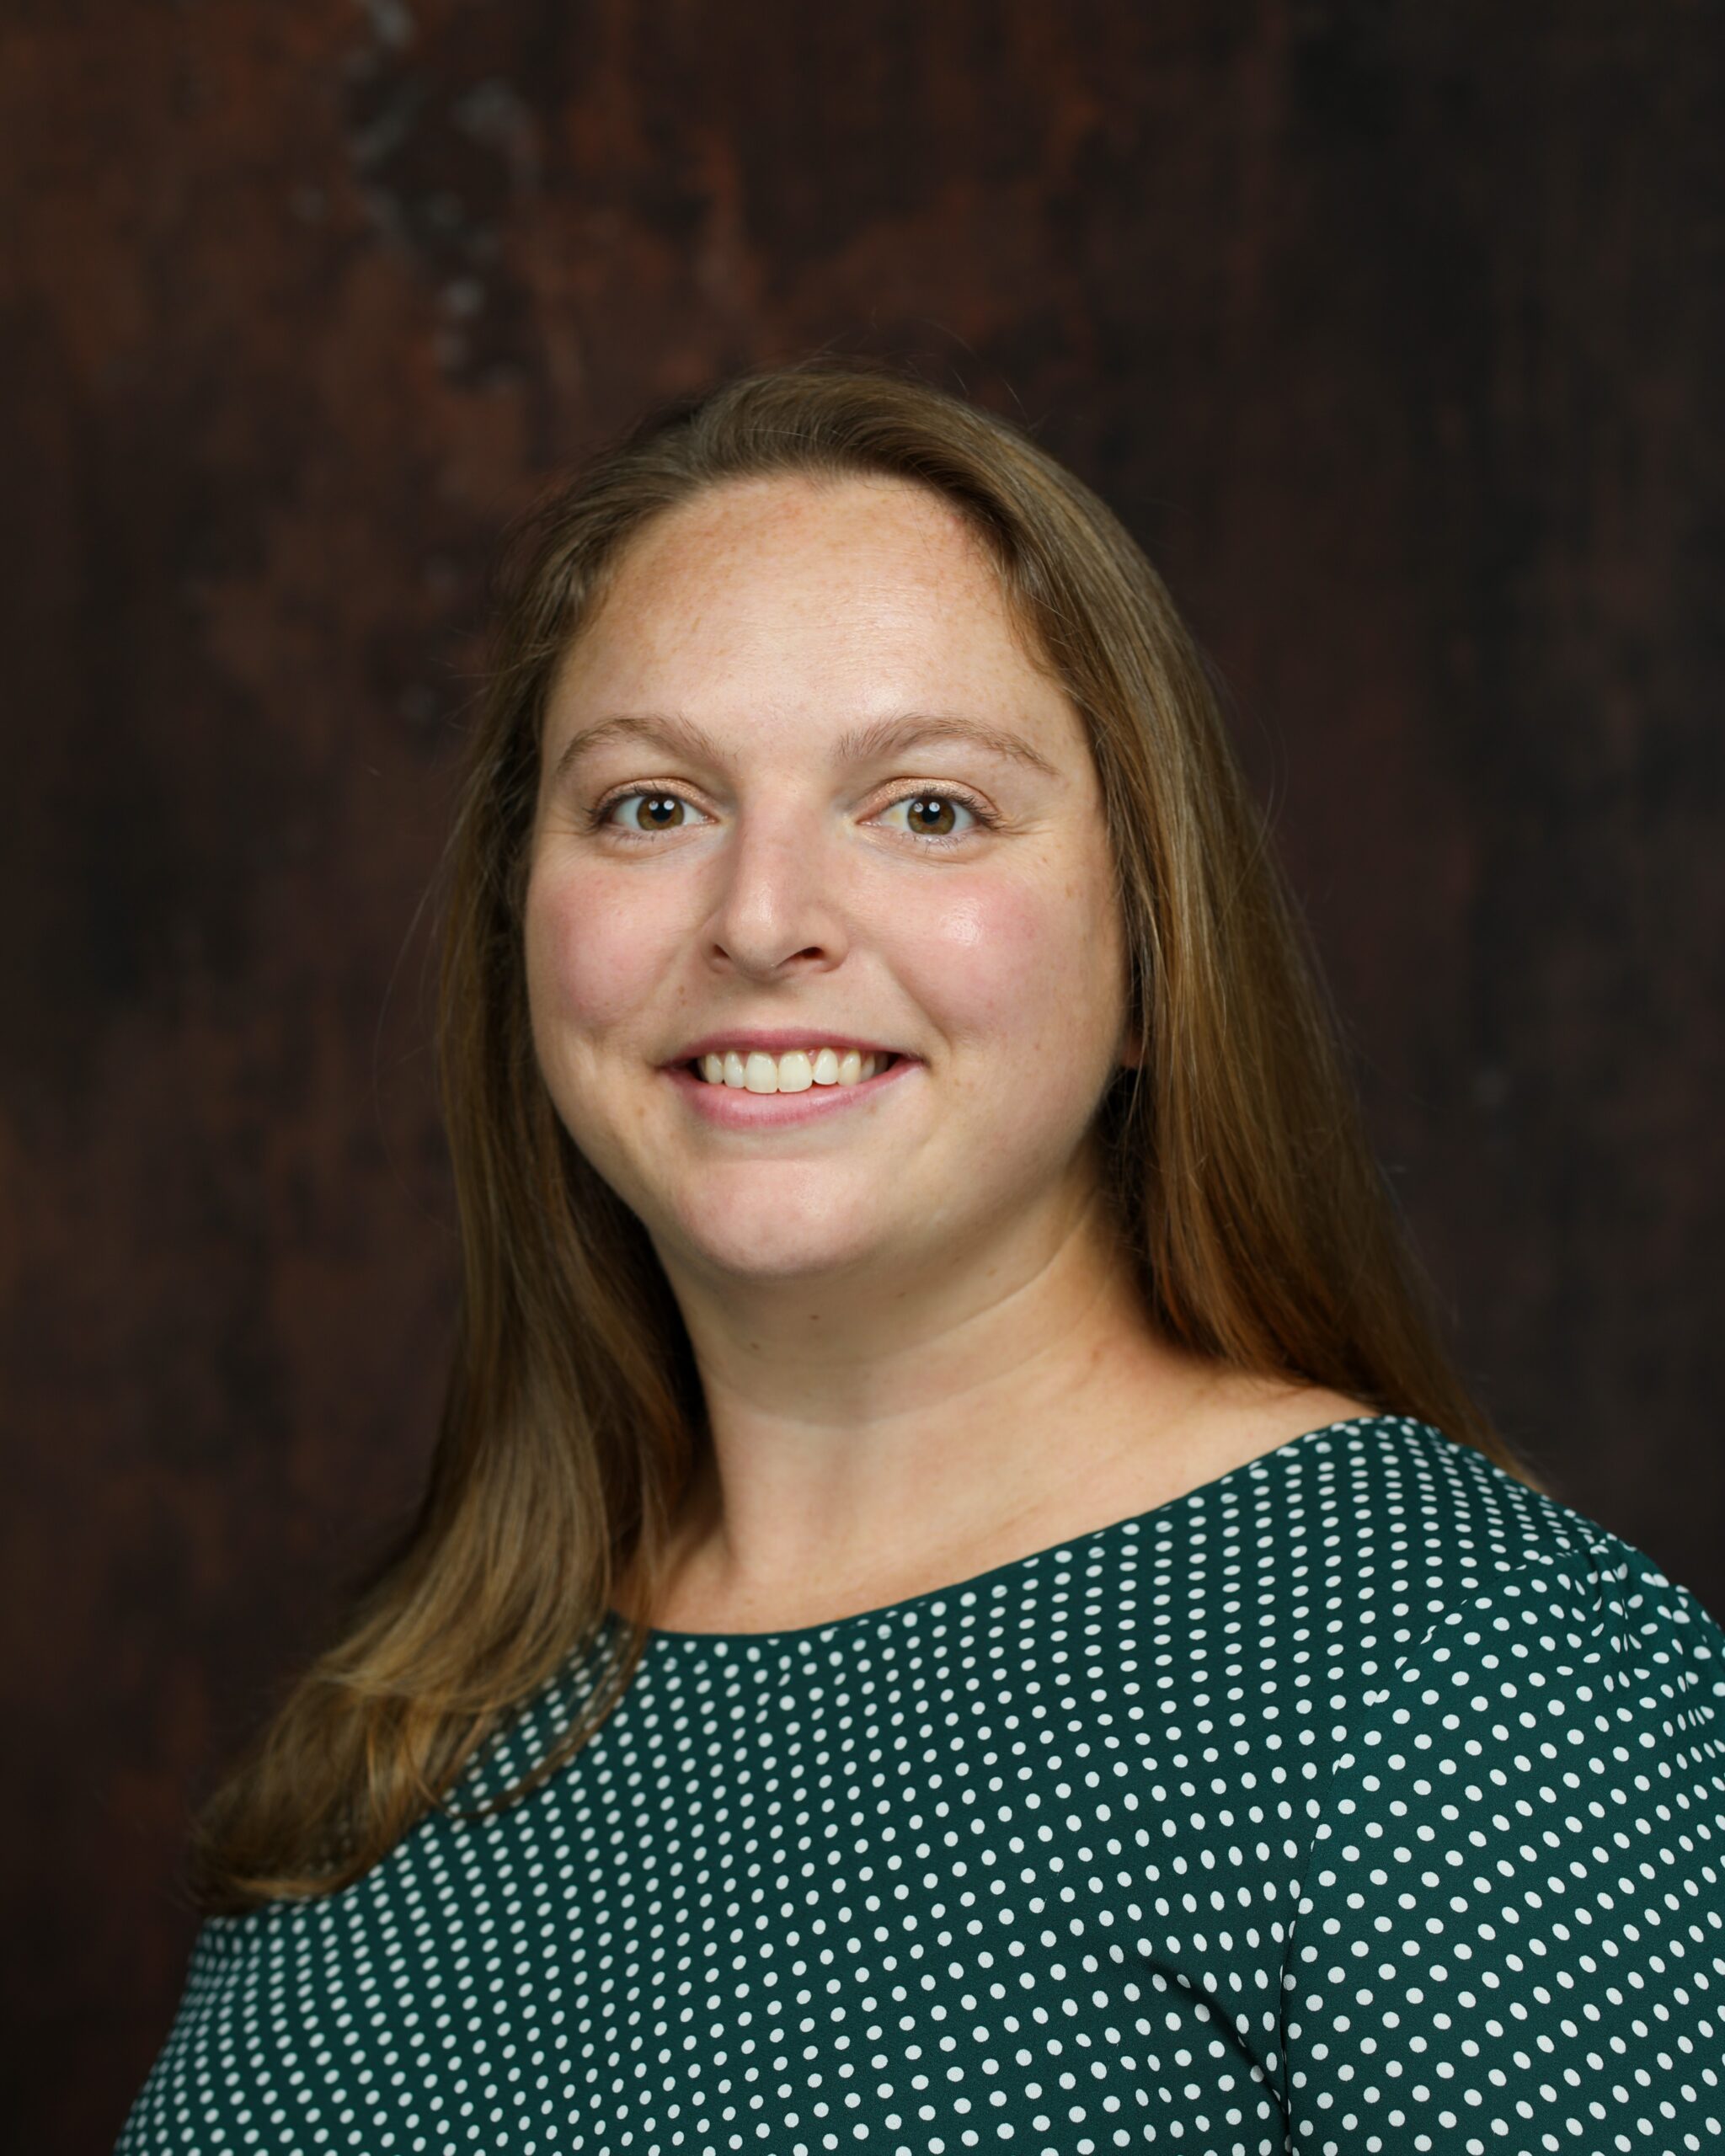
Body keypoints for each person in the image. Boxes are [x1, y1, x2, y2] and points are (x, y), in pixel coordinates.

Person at [115, 363, 1725, 2156]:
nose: (759, 917)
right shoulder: (418, 1717)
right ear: (521, 920)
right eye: (652, 805)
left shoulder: (1465, 1681)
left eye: (929, 806)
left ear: (1151, 948)